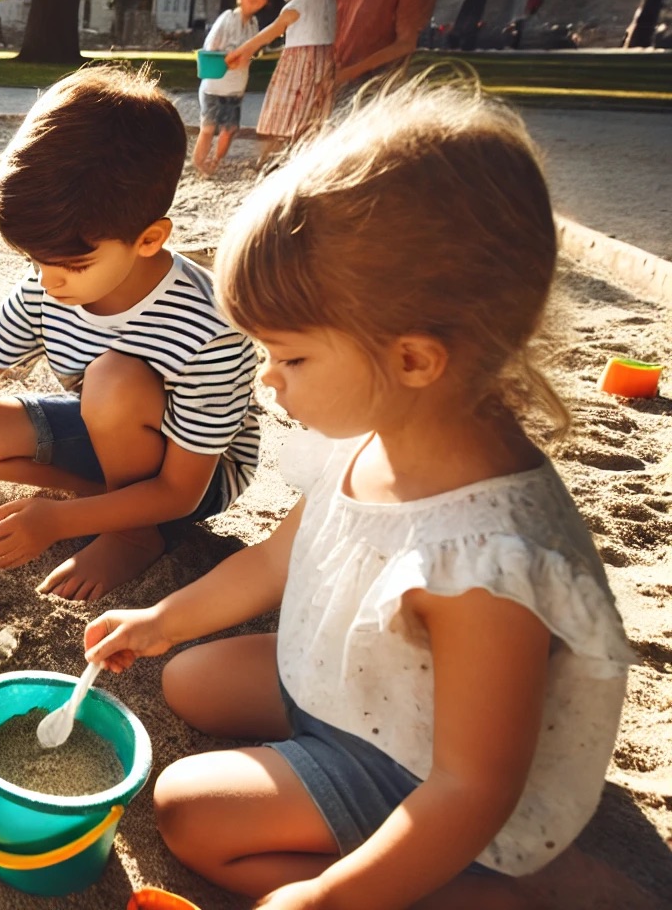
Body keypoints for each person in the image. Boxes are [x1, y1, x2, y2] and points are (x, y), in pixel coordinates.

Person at [84, 85, 632, 908]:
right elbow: (279, 557)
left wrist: (333, 896)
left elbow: (472, 789)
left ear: (414, 358)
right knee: (186, 678)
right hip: (364, 685)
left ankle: (485, 894)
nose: (266, 378)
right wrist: (164, 621)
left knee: (188, 812)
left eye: (291, 359)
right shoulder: (379, 428)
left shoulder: (484, 563)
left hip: (421, 769)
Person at [0, 66, 262, 599]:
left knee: (113, 379)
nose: (48, 280)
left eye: (70, 263)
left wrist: (54, 522)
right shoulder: (47, 285)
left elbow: (182, 490)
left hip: (197, 472)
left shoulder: (209, 325)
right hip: (111, 432)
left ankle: (134, 534)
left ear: (148, 238)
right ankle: (108, 506)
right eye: (34, 259)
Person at [235, 0, 338, 161]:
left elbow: (270, 32)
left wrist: (244, 51)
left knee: (286, 107)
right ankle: (309, 154)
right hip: (324, 61)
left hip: (299, 63)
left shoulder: (297, 5)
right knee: (314, 109)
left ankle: (271, 157)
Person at [194, 0, 273, 176]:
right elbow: (210, 50)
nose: (256, 0)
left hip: (236, 87)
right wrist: (231, 59)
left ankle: (215, 161)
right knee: (209, 128)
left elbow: (253, 49)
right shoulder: (227, 19)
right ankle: (199, 163)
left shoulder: (254, 23)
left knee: (229, 130)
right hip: (215, 84)